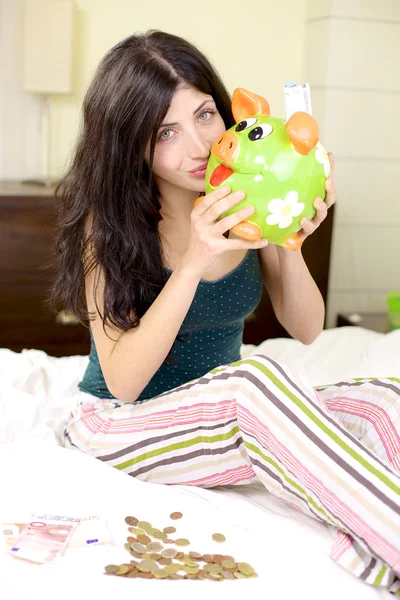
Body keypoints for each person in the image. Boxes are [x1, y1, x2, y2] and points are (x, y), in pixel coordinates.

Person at [52, 30, 400, 591]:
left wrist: (288, 242)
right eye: (166, 132)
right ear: (131, 145)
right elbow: (121, 382)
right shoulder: (109, 226)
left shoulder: (247, 192)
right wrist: (192, 263)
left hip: (223, 417)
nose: (196, 145)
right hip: (119, 424)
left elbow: (307, 329)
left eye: (205, 115)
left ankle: (374, 554)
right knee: (255, 381)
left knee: (385, 400)